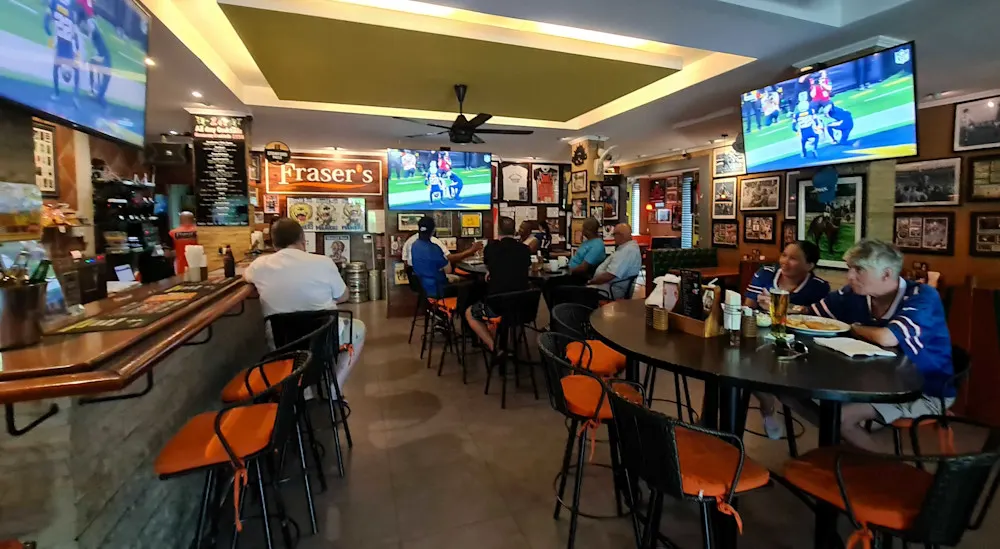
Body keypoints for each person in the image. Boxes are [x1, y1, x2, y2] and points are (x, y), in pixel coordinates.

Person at [791, 240, 954, 453]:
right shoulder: (853, 295)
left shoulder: (922, 296)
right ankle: (843, 452)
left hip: (925, 390)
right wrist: (782, 306)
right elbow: (810, 313)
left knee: (838, 419)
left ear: (886, 274)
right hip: (871, 382)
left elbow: (888, 338)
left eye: (858, 270)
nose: (849, 276)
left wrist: (855, 328)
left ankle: (887, 472)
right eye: (849, 268)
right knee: (793, 394)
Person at [244, 218, 366, 389]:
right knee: (358, 329)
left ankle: (301, 390)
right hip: (323, 341)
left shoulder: (259, 265)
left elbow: (246, 278)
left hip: (282, 343)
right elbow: (344, 296)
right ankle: (334, 388)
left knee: (285, 344)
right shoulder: (323, 262)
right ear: (303, 238)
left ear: (274, 242)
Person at [743, 241, 830, 439]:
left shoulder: (818, 288)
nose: (784, 261)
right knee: (745, 370)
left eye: (793, 258)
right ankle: (768, 408)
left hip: (798, 346)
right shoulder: (764, 274)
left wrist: (781, 308)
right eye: (784, 255)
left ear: (809, 265)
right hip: (758, 337)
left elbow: (819, 321)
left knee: (784, 379)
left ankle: (832, 431)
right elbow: (747, 307)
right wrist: (760, 308)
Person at [464, 216, 531, 351]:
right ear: (514, 231)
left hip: (497, 306)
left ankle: (494, 347)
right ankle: (513, 344)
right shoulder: (525, 249)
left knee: (469, 312)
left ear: (498, 230)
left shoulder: (491, 248)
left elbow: (490, 265)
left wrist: (491, 272)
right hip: (523, 307)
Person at [588, 223, 642, 300]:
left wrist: (591, 282)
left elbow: (609, 275)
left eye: (614, 234)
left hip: (611, 289)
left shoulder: (626, 251)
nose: (613, 237)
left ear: (621, 235)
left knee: (576, 292)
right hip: (610, 286)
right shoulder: (629, 248)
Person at [401, 219, 482, 267]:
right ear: (433, 231)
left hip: (418, 281)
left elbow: (406, 263)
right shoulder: (434, 242)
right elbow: (450, 258)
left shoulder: (409, 241)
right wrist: (471, 250)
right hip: (437, 282)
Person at [409, 216, 452, 298]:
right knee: (467, 285)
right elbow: (448, 270)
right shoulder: (435, 248)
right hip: (438, 288)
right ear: (433, 231)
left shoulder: (414, 245)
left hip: (423, 288)